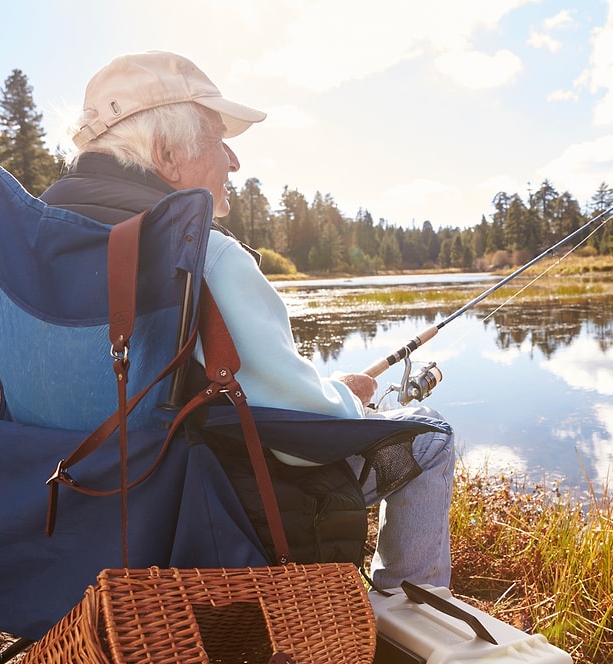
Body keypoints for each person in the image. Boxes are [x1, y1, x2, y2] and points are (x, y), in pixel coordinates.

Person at [40, 51, 455, 589]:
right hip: (195, 510)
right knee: (432, 436)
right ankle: (407, 614)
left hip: (63, 499)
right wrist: (349, 395)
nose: (233, 161)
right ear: (167, 153)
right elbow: (296, 436)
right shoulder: (205, 254)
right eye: (218, 139)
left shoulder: (39, 243)